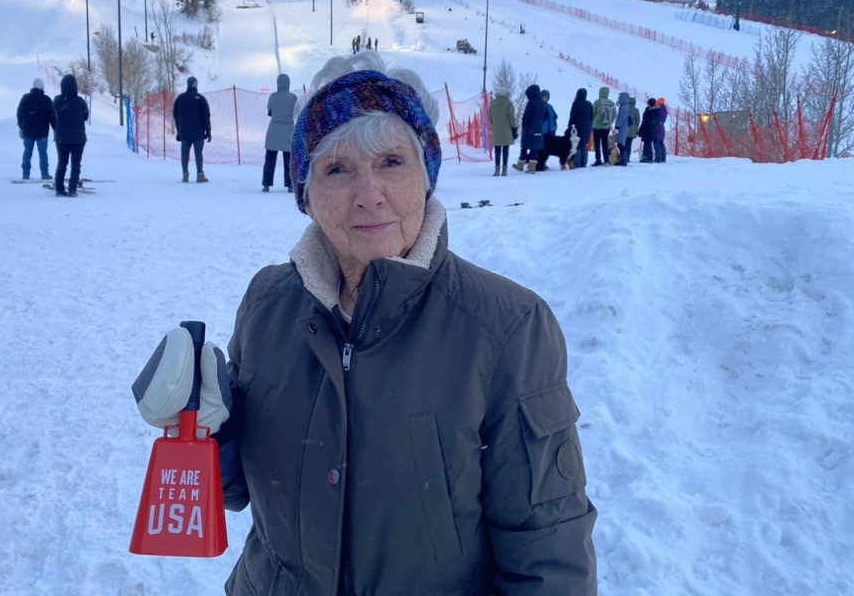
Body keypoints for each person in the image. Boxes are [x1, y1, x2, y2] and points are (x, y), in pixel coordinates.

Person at [133, 50, 597, 595]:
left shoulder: (507, 326)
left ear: (427, 176)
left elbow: (547, 555)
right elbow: (243, 492)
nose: (369, 194)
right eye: (336, 169)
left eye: (391, 163)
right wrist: (207, 432)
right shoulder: (268, 303)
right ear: (305, 194)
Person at [52, 74, 89, 197]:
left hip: (61, 137)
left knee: (62, 162)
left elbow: (52, 115)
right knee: (76, 164)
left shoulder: (57, 101)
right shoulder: (80, 102)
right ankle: (72, 188)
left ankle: (59, 188)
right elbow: (85, 116)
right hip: (78, 138)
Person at [262, 73, 297, 192]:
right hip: (288, 131)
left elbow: (270, 112)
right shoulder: (293, 98)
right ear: (288, 83)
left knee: (270, 159)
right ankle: (290, 184)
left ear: (278, 83)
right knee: (289, 160)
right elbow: (296, 113)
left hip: (274, 130)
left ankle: (266, 183)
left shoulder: (273, 96)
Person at [173, 76, 212, 183]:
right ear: (196, 84)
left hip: (184, 132)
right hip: (198, 132)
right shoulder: (200, 99)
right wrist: (208, 131)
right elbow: (206, 116)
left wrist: (179, 130)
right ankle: (200, 174)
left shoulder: (180, 98)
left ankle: (185, 174)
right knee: (198, 153)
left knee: (184, 153)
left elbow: (176, 116)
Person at [16, 78, 54, 180]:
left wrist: (21, 126)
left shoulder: (25, 98)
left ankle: (25, 173)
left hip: (28, 131)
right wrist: (56, 129)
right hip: (42, 132)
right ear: (42, 87)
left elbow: (19, 112)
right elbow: (52, 116)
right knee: (42, 153)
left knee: (27, 152)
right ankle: (44, 174)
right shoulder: (46, 99)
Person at [488, 82, 518, 176]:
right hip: (506, 131)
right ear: (504, 94)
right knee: (505, 150)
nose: (509, 95)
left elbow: (490, 117)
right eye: (508, 94)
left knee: (497, 151)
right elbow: (511, 118)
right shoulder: (508, 103)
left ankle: (497, 170)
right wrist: (514, 128)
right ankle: (504, 170)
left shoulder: (492, 103)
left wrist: (494, 127)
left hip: (496, 131)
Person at [515, 83, 545, 173]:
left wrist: (524, 126)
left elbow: (526, 116)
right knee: (534, 149)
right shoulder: (542, 103)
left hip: (529, 129)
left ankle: (520, 165)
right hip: (539, 129)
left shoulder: (531, 102)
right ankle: (532, 168)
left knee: (524, 147)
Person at [566, 87, 593, 170]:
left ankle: (577, 162)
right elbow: (592, 116)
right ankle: (584, 162)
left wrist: (570, 125)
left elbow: (572, 116)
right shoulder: (589, 104)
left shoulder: (576, 103)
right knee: (584, 145)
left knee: (576, 145)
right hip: (587, 127)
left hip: (577, 127)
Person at [591, 85, 616, 166]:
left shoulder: (597, 102)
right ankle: (606, 160)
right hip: (606, 127)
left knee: (597, 144)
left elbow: (592, 113)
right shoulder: (612, 103)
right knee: (605, 144)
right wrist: (610, 123)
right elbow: (614, 115)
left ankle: (598, 160)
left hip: (597, 126)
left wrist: (593, 123)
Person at [537, 89, 558, 170]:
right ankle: (538, 163)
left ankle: (543, 163)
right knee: (541, 149)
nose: (545, 98)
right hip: (543, 131)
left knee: (547, 149)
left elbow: (555, 117)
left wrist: (554, 127)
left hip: (550, 131)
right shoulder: (539, 106)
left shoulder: (550, 106)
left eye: (546, 97)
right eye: (543, 97)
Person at [612, 92, 631, 166]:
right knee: (621, 143)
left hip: (622, 127)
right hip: (624, 127)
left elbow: (621, 117)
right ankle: (623, 159)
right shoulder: (625, 106)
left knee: (621, 144)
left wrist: (617, 127)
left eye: (620, 97)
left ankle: (623, 160)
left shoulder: (624, 107)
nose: (618, 98)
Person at [639, 97, 660, 162]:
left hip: (647, 129)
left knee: (647, 143)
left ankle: (648, 157)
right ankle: (654, 157)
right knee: (654, 144)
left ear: (649, 104)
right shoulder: (658, 111)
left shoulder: (648, 111)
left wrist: (641, 130)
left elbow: (645, 121)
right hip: (655, 130)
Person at [626, 96, 641, 164]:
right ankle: (627, 158)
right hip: (632, 129)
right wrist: (636, 129)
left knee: (623, 144)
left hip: (625, 128)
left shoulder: (625, 108)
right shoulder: (636, 110)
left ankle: (623, 156)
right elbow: (638, 121)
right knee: (629, 144)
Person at [655, 97, 669, 162]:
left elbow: (657, 120)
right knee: (661, 143)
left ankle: (658, 158)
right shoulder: (664, 110)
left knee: (657, 144)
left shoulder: (659, 110)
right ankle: (663, 158)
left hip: (658, 129)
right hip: (661, 129)